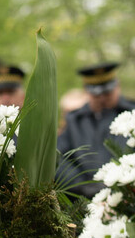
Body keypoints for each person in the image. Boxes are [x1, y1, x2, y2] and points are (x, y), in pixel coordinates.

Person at [57, 62, 135, 198]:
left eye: (107, 92)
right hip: (84, 197)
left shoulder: (132, 113)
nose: (103, 98)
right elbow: (57, 157)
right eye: (97, 94)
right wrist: (82, 185)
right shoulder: (75, 121)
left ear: (117, 85)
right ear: (86, 91)